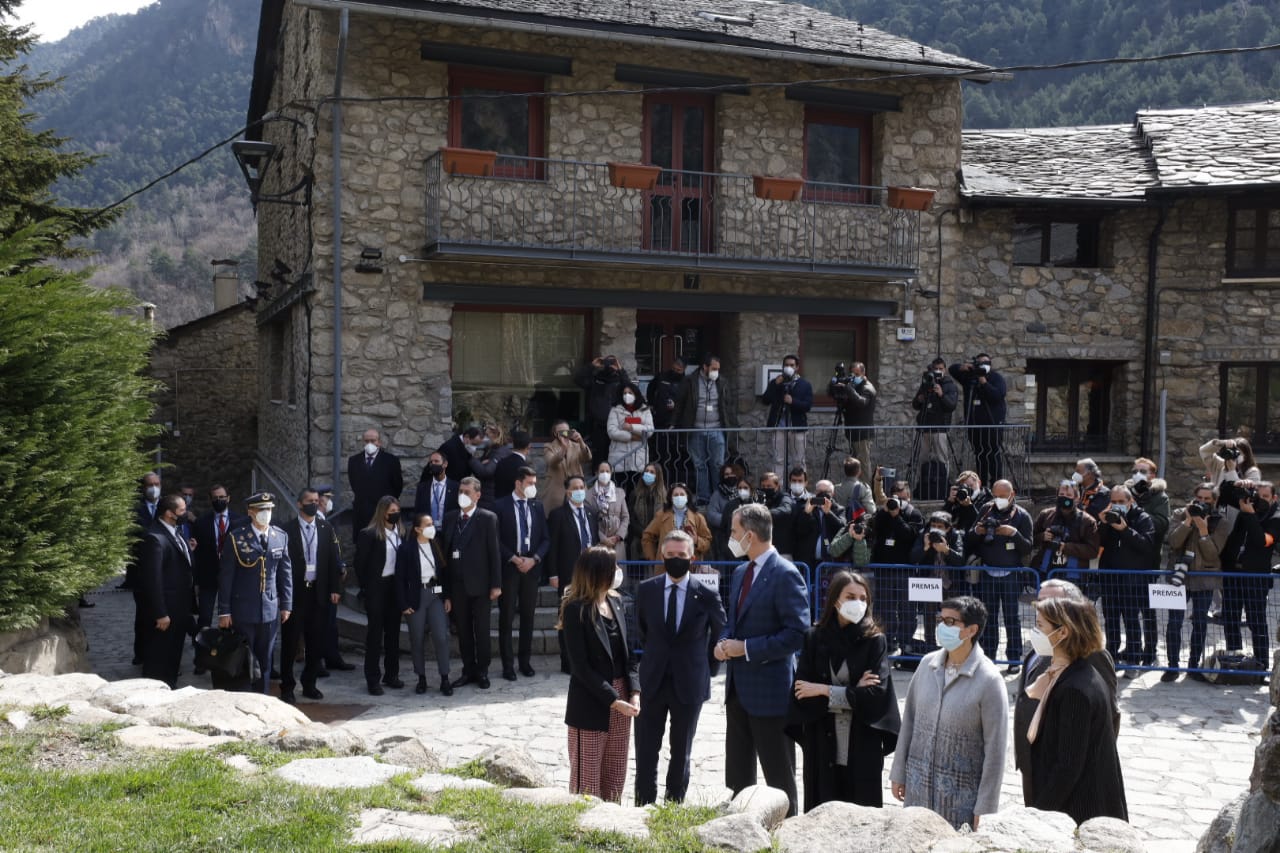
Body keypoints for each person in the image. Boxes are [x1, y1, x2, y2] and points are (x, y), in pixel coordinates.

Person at [714, 503, 809, 817]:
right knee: (738, 777)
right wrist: (723, 643)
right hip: (738, 691)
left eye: (734, 532)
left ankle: (788, 831)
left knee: (779, 777)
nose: (731, 537)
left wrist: (746, 648)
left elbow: (796, 634)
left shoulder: (785, 574)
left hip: (770, 693)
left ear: (750, 535)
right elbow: (733, 622)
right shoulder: (741, 571)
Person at [889, 596, 1008, 830]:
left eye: (951, 622)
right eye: (940, 620)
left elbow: (995, 750)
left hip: (961, 803)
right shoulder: (927, 665)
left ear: (971, 630)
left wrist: (985, 807)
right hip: (918, 793)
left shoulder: (989, 680)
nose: (942, 626)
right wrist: (899, 772)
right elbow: (909, 722)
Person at [791, 570, 900, 810]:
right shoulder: (814, 638)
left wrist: (823, 690)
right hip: (822, 746)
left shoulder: (875, 641)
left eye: (863, 598)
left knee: (862, 816)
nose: (858, 603)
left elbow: (875, 696)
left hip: (862, 745)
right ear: (835, 600)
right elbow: (802, 694)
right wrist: (852, 692)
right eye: (850, 597)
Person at [633, 530, 727, 805]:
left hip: (690, 682)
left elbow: (720, 632)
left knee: (681, 751)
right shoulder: (647, 590)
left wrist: (707, 670)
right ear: (662, 556)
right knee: (646, 750)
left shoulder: (706, 594)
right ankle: (643, 805)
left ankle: (673, 807)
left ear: (692, 558)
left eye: (681, 555)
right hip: (653, 680)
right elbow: (642, 631)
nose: (676, 559)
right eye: (671, 555)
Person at [1022, 595, 1128, 824]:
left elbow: (1068, 766)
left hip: (1079, 811)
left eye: (1040, 626)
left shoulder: (1075, 690)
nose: (1035, 632)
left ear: (1062, 632)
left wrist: (1039, 816)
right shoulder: (1072, 672)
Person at [559, 546, 640, 802]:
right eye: (613, 567)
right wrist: (613, 699)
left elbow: (628, 654)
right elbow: (580, 667)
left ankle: (611, 819)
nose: (618, 571)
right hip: (592, 700)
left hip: (622, 697)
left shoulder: (616, 602)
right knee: (587, 781)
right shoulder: (575, 609)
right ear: (598, 572)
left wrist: (634, 692)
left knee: (615, 771)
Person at [217, 492, 292, 694]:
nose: (265, 513)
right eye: (261, 510)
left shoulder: (280, 536)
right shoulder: (236, 538)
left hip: (269, 609)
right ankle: (242, 697)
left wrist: (286, 605)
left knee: (265, 659)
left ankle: (262, 696)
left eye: (268, 510)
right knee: (243, 658)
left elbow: (285, 574)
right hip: (243, 608)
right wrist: (224, 611)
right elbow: (226, 577)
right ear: (250, 512)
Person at [279, 488, 342, 703]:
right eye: (309, 501)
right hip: (295, 593)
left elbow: (332, 559)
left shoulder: (325, 528)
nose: (314, 504)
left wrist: (335, 588)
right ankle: (287, 686)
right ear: (299, 504)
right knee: (290, 641)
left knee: (316, 641)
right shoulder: (287, 530)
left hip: (318, 591)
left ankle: (310, 683)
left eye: (316, 501)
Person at [965, 479, 1033, 672]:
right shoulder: (986, 510)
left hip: (1011, 573)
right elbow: (969, 538)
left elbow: (1028, 547)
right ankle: (988, 657)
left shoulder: (1022, 515)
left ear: (1012, 494)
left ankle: (1014, 659)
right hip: (988, 572)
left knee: (1012, 617)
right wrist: (978, 531)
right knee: (988, 617)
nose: (998, 500)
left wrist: (1013, 533)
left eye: (1002, 496)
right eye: (995, 496)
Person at [441, 477, 502, 689]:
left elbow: (494, 553)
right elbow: (445, 553)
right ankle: (468, 670)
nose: (463, 495)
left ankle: (482, 671)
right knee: (464, 631)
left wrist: (496, 584)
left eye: (467, 492)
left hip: (481, 585)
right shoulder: (450, 518)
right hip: (457, 586)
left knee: (482, 630)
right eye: (461, 491)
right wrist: (445, 590)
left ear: (477, 495)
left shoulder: (487, 518)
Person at [1164, 483, 1228, 681]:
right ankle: (1172, 666)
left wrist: (1203, 530)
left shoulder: (1221, 522)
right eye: (1199, 498)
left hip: (1204, 579)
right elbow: (1173, 542)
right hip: (1179, 578)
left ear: (1214, 501)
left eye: (1207, 499)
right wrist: (1188, 521)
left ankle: (1193, 667)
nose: (1202, 502)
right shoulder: (1179, 514)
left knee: (1200, 623)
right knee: (1174, 623)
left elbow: (1212, 555)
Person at [495, 466, 550, 680]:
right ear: (518, 483)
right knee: (506, 617)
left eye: (535, 483)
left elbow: (545, 539)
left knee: (528, 617)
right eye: (530, 483)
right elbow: (496, 539)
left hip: (531, 568)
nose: (533, 487)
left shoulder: (537, 506)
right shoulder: (501, 505)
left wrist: (534, 559)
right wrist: (513, 558)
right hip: (510, 567)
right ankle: (508, 665)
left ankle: (525, 662)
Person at [1096, 484, 1156, 674]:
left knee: (1131, 620)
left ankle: (1133, 659)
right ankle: (1111, 658)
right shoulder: (1109, 518)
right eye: (1113, 501)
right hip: (1110, 578)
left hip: (1133, 580)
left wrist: (1125, 529)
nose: (1117, 504)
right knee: (1111, 620)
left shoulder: (1142, 518)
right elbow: (1098, 542)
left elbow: (1146, 545)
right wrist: (1103, 523)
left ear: (1130, 501)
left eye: (1121, 501)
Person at [1218, 478, 1279, 666]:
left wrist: (1250, 514)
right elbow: (1223, 495)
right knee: (1230, 618)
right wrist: (1236, 484)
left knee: (1256, 621)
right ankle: (1234, 657)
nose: (1260, 500)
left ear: (1274, 498)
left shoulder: (1276, 519)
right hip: (1232, 574)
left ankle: (1262, 663)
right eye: (1258, 495)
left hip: (1255, 578)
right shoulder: (1247, 505)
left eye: (1265, 496)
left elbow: (1262, 541)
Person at [137, 493, 195, 688]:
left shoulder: (175, 531)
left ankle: (170, 686)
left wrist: (188, 550)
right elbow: (152, 580)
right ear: (170, 514)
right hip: (166, 613)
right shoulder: (154, 537)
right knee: (159, 658)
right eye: (182, 510)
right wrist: (160, 613)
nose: (186, 513)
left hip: (180, 608)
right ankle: (156, 691)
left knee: (173, 655)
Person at [190, 484, 247, 672]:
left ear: (228, 498)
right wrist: (196, 580)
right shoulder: (201, 523)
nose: (219, 500)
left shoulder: (240, 520)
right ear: (210, 500)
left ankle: (231, 658)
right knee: (205, 619)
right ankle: (201, 660)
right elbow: (197, 554)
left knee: (233, 619)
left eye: (222, 497)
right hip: (209, 577)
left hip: (233, 578)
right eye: (215, 498)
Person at [548, 474, 601, 674]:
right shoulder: (558, 515)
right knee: (567, 616)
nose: (579, 491)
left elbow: (594, 540)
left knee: (590, 615)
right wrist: (553, 574)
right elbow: (553, 547)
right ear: (568, 491)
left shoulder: (590, 512)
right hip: (568, 573)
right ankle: (567, 660)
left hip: (591, 573)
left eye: (582, 487)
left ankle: (588, 658)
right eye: (575, 488)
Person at [396, 511, 453, 696]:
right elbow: (399, 579)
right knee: (417, 638)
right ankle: (421, 677)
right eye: (427, 525)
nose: (432, 528)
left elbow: (444, 573)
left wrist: (447, 597)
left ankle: (445, 678)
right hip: (416, 596)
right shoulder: (406, 549)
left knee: (441, 636)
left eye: (432, 525)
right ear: (417, 529)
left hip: (435, 594)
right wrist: (403, 604)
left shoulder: (436, 545)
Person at [355, 495, 405, 696]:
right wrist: (367, 588)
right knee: (375, 635)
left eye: (397, 511)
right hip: (377, 588)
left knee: (393, 634)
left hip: (395, 587)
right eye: (391, 512)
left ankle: (392, 675)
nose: (395, 515)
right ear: (382, 513)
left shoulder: (401, 533)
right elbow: (360, 564)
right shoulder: (369, 534)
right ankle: (373, 679)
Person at [675, 353, 737, 507]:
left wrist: (733, 426)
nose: (716, 372)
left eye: (718, 369)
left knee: (718, 464)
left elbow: (728, 406)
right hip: (696, 429)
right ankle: (703, 496)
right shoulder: (690, 381)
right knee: (699, 465)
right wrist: (673, 423)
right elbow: (680, 404)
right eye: (714, 368)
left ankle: (719, 496)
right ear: (705, 367)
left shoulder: (722, 382)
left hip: (717, 429)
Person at [871, 478, 924, 656]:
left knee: (907, 609)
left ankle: (906, 642)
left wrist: (897, 517)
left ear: (908, 496)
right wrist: (885, 512)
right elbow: (875, 530)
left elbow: (909, 535)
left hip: (905, 569)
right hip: (884, 569)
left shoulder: (914, 514)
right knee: (884, 608)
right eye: (895, 498)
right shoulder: (883, 513)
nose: (898, 502)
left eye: (901, 498)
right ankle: (887, 641)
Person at [949, 354, 1007, 485]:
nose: (984, 365)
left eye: (986, 363)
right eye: (980, 363)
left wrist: (984, 382)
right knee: (980, 455)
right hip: (975, 426)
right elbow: (952, 369)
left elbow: (997, 396)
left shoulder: (996, 378)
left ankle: (996, 484)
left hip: (992, 425)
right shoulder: (970, 377)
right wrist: (963, 367)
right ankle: (982, 484)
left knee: (993, 454)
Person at [910, 511, 966, 644]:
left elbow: (960, 560)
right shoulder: (924, 534)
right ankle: (930, 643)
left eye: (940, 526)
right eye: (933, 525)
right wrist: (925, 547)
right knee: (928, 615)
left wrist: (946, 550)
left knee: (951, 615)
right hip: (929, 582)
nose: (935, 529)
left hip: (950, 583)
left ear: (948, 528)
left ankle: (951, 643)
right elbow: (913, 558)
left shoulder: (955, 535)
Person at [1031, 481, 1101, 585]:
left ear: (1077, 498)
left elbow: (1093, 551)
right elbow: (1030, 541)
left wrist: (1065, 547)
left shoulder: (1087, 521)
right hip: (1045, 572)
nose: (1064, 498)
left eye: (1069, 495)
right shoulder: (1046, 515)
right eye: (1062, 494)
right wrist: (1042, 537)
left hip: (1073, 576)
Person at [127, 472, 162, 665]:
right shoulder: (134, 510)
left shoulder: (166, 507)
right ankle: (140, 653)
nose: (154, 488)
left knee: (162, 613)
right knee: (143, 615)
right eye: (150, 484)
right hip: (141, 572)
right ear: (143, 487)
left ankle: (158, 653)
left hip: (163, 572)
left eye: (157, 484)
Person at [347, 428, 404, 544]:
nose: (370, 444)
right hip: (362, 512)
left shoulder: (391, 461)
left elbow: (397, 486)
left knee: (383, 544)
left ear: (379, 442)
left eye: (373, 441)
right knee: (363, 544)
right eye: (366, 441)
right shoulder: (354, 461)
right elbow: (354, 484)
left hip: (383, 512)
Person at [576, 354, 632, 470]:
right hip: (598, 425)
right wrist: (591, 366)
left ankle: (613, 478)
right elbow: (579, 380)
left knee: (615, 456)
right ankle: (598, 476)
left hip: (616, 425)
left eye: (611, 363)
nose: (609, 366)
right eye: (607, 363)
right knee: (599, 456)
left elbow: (630, 389)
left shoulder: (619, 380)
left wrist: (620, 370)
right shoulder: (596, 378)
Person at [762, 354, 814, 477]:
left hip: (797, 428)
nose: (788, 367)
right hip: (779, 427)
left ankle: (799, 485)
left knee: (799, 461)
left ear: (797, 367)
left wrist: (793, 401)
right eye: (786, 365)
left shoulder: (804, 384)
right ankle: (778, 485)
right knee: (778, 460)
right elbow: (765, 400)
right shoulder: (777, 382)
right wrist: (775, 384)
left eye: (791, 365)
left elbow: (807, 406)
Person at [910, 357, 958, 477]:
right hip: (925, 427)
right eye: (935, 369)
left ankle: (943, 483)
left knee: (942, 458)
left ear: (945, 370)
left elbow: (951, 406)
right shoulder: (927, 383)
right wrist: (919, 399)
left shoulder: (949, 385)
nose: (938, 371)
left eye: (940, 369)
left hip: (940, 428)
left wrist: (941, 395)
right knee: (922, 458)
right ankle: (922, 483)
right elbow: (915, 405)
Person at [641, 483, 712, 563]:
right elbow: (647, 536)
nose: (679, 497)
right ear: (671, 498)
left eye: (682, 494)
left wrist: (697, 541)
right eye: (676, 495)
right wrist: (653, 560)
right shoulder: (661, 515)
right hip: (665, 565)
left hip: (690, 565)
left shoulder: (698, 517)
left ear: (687, 497)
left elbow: (707, 542)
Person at [606, 382, 654, 491]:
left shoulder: (644, 410)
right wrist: (631, 437)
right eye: (624, 393)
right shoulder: (615, 410)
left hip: (639, 459)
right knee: (619, 491)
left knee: (636, 491)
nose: (627, 395)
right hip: (619, 459)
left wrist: (632, 427)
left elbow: (650, 430)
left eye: (630, 392)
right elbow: (612, 431)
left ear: (636, 394)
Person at [830, 362, 876, 471]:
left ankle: (865, 483)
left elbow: (862, 402)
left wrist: (848, 389)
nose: (854, 377)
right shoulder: (856, 386)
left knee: (863, 464)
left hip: (862, 433)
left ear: (863, 373)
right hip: (853, 431)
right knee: (855, 464)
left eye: (857, 374)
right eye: (852, 374)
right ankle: (856, 482)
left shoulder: (867, 388)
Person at [794, 479, 845, 568]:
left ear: (832, 493)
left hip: (831, 561)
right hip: (808, 561)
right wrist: (806, 513)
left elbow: (842, 529)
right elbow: (800, 530)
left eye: (826, 492)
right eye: (820, 491)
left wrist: (828, 513)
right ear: (815, 492)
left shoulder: (839, 509)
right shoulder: (807, 507)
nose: (823, 494)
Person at [544, 420, 592, 510]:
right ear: (555, 433)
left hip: (576, 489)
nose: (565, 434)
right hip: (557, 492)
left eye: (567, 431)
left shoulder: (576, 446)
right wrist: (563, 448)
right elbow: (552, 462)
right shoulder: (549, 447)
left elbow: (587, 458)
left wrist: (581, 441)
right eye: (561, 432)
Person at [588, 462, 630, 563]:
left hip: (617, 543)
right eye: (602, 471)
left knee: (618, 570)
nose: (605, 474)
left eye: (607, 471)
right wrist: (603, 539)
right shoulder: (588, 495)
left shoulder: (619, 493)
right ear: (596, 473)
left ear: (611, 473)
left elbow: (625, 517)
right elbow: (589, 521)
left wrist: (618, 536)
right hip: (598, 543)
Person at [626, 464, 665, 562]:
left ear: (658, 476)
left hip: (657, 536)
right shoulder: (635, 494)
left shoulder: (664, 497)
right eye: (646, 471)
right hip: (639, 535)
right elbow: (631, 518)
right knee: (634, 546)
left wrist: (653, 533)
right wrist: (643, 533)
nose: (648, 474)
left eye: (652, 472)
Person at [467, 423, 511, 510]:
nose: (485, 439)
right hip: (486, 495)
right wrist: (480, 463)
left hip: (492, 497)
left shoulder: (500, 451)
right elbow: (479, 469)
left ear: (495, 435)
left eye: (487, 435)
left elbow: (486, 472)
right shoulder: (490, 449)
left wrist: (471, 458)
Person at [415, 450, 459, 522]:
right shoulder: (422, 488)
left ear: (445, 464)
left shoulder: (456, 487)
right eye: (431, 462)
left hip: (448, 527)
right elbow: (418, 512)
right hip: (428, 527)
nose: (433, 464)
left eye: (436, 461)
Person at [493, 430, 533, 500]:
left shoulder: (501, 462)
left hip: (500, 503)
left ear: (513, 444)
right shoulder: (525, 468)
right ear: (529, 446)